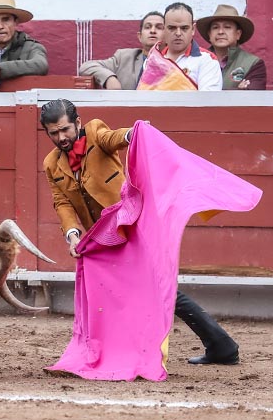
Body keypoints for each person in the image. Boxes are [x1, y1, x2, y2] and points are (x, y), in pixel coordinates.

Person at [40, 98, 240, 365]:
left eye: (65, 129)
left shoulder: (95, 131)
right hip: (100, 238)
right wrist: (72, 234)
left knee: (156, 289)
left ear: (77, 122)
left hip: (131, 226)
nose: (61, 137)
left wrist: (131, 134)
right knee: (126, 293)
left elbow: (112, 138)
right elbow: (62, 202)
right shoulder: (51, 163)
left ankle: (220, 346)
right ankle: (215, 346)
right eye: (54, 133)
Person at [79, 11, 164, 90]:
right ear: (140, 36)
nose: (153, 31)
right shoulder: (123, 58)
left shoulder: (174, 62)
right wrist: (109, 78)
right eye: (148, 27)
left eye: (159, 27)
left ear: (167, 35)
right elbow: (86, 67)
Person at [196, 4, 266, 90]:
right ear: (209, 34)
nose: (220, 32)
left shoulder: (253, 63)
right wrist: (238, 90)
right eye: (215, 27)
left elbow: (253, 97)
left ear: (238, 34)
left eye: (227, 27)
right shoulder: (196, 60)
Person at [162, 2, 222, 91]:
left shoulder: (207, 61)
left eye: (184, 28)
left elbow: (208, 102)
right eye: (172, 28)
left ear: (193, 29)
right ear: (164, 29)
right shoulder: (152, 60)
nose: (178, 33)